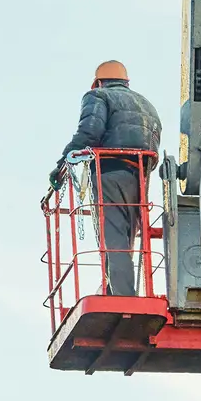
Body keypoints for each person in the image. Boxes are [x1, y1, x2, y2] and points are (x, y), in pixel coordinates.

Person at [51, 60, 163, 296]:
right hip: (139, 178)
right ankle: (119, 290)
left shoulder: (98, 96)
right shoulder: (147, 104)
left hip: (109, 172)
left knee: (113, 239)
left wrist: (62, 163)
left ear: (99, 82)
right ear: (126, 81)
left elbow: (89, 132)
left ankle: (121, 296)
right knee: (127, 239)